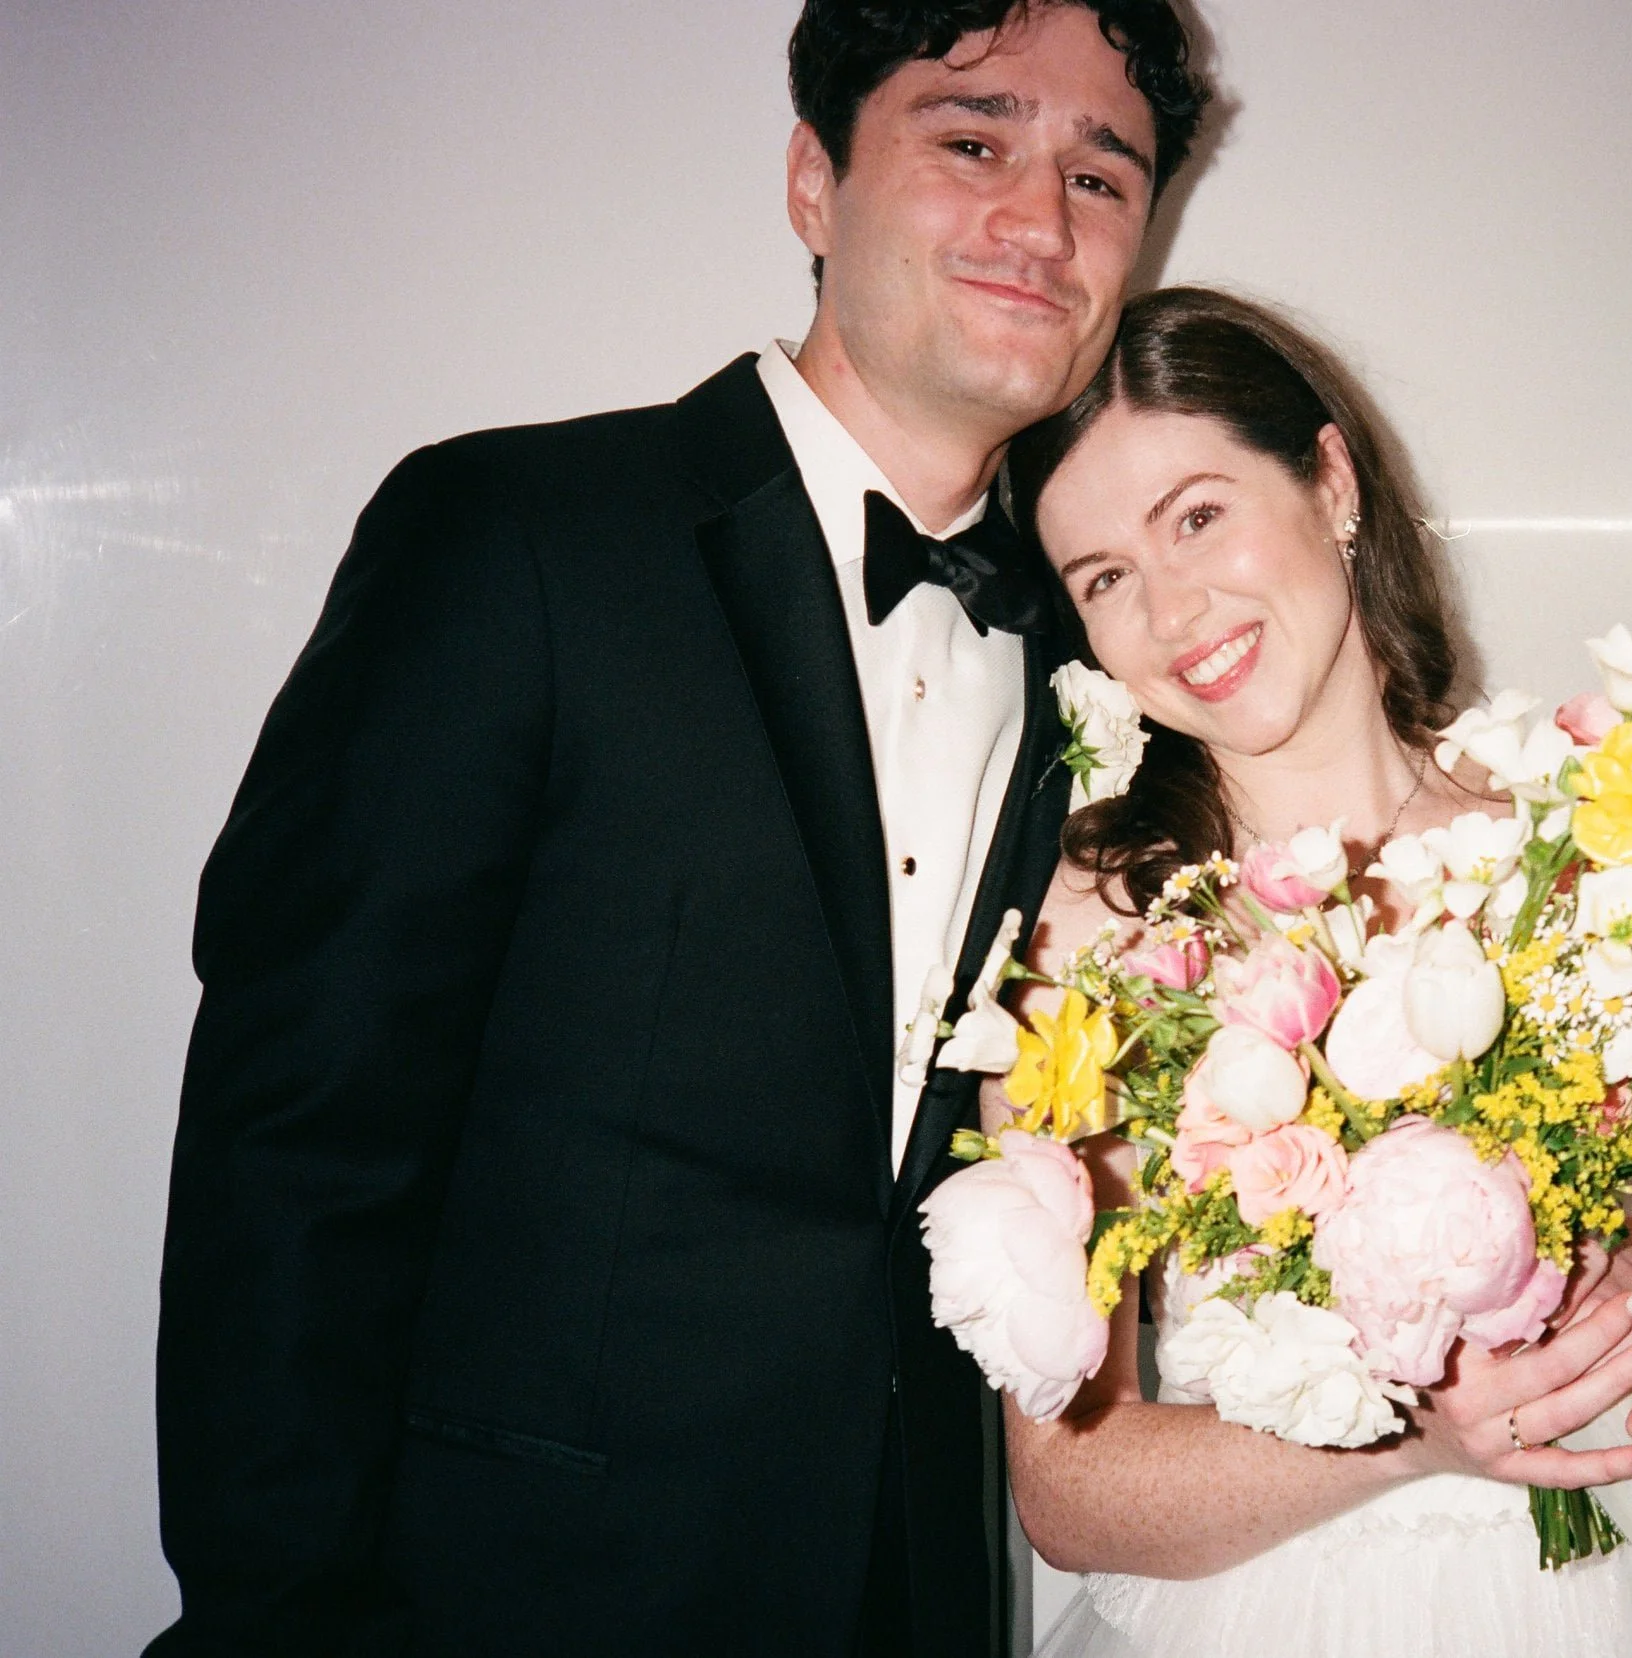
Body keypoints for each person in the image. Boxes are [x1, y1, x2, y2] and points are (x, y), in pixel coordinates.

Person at [150, 5, 1208, 1653]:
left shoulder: (1108, 650)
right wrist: (270, 1620)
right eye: (972, 139)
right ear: (812, 181)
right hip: (506, 1604)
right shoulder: (517, 539)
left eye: (1101, 176)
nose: (1039, 220)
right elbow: (296, 1143)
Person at [984, 286, 1632, 1656]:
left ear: (1332, 481)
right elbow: (1068, 1485)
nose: (1171, 609)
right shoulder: (1090, 940)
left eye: (1198, 516)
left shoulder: (1612, 835)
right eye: (1104, 577)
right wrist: (1417, 1438)